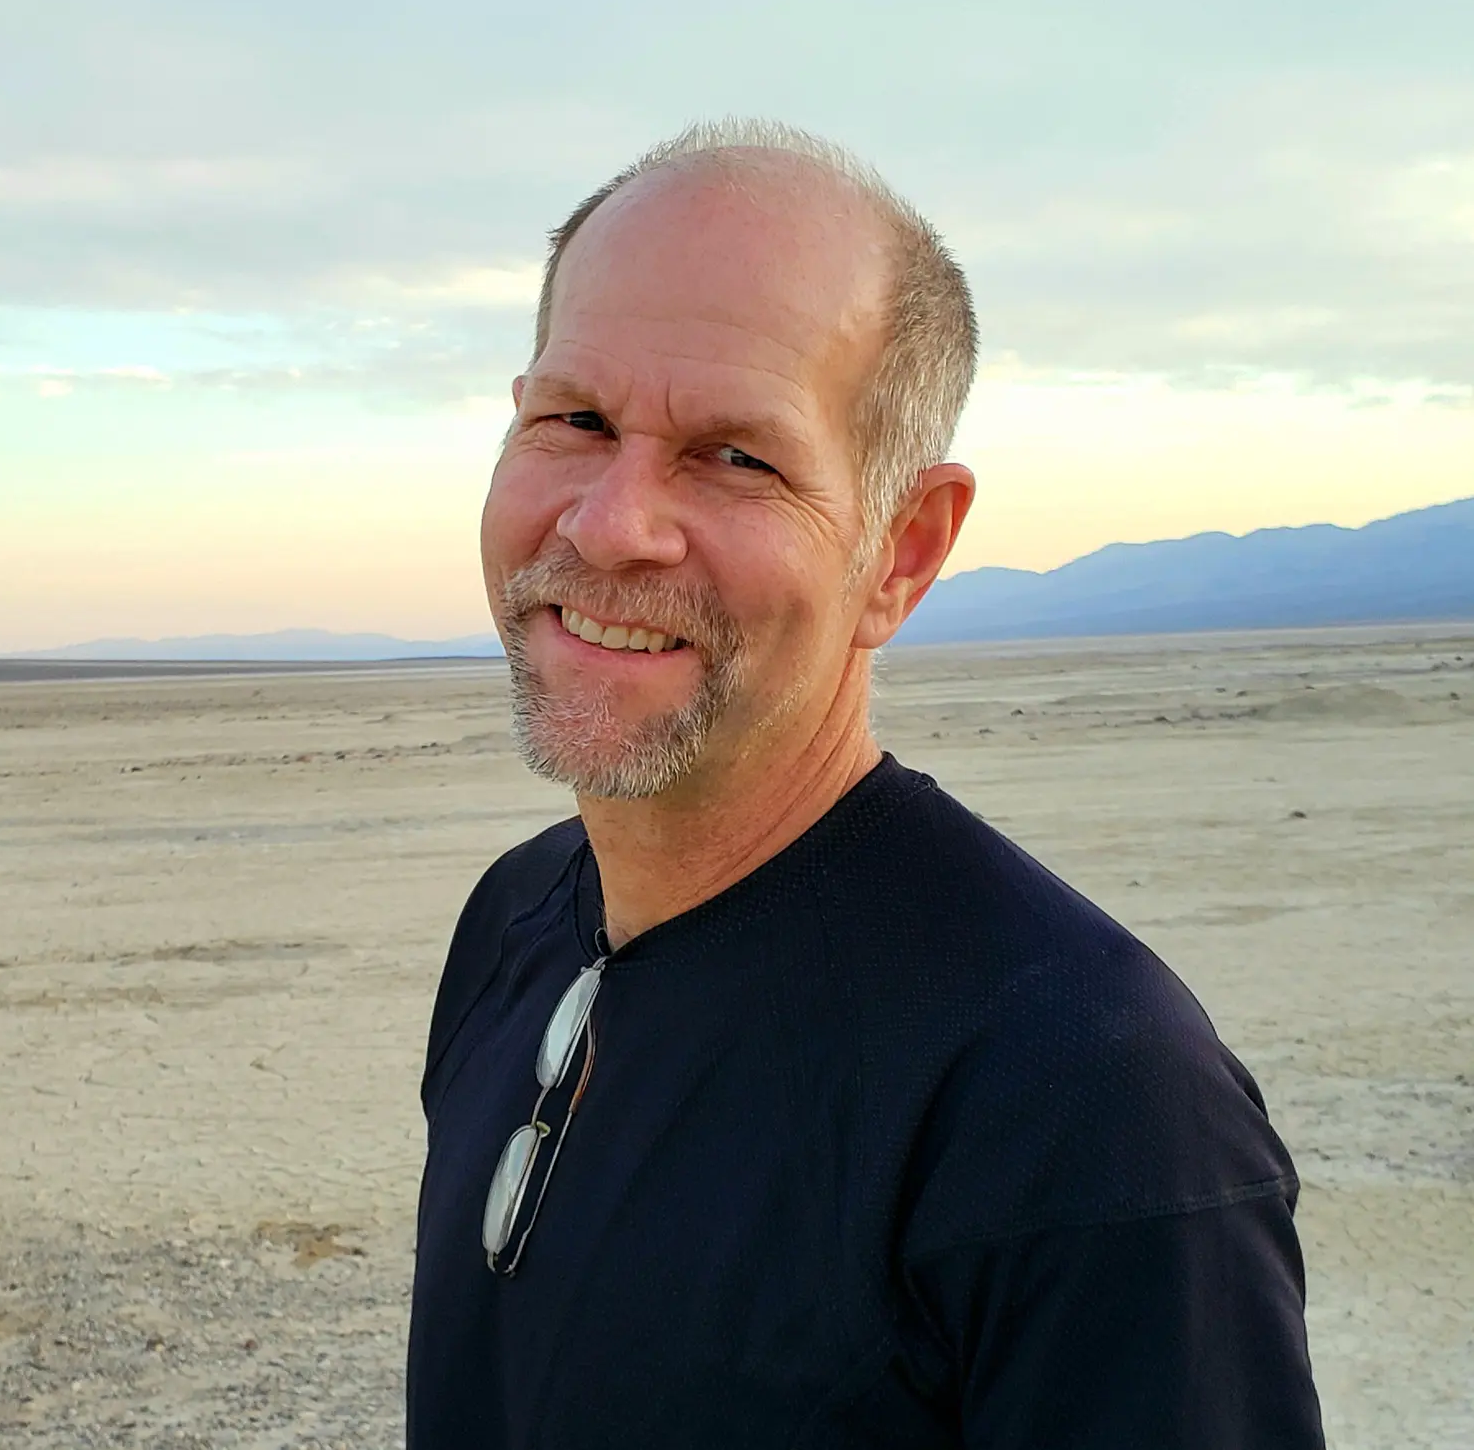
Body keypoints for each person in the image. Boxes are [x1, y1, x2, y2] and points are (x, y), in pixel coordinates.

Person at [406, 120, 1324, 1448]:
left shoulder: (1083, 1094)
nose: (610, 521)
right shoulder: (517, 919)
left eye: (737, 456)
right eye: (578, 419)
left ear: (901, 548)